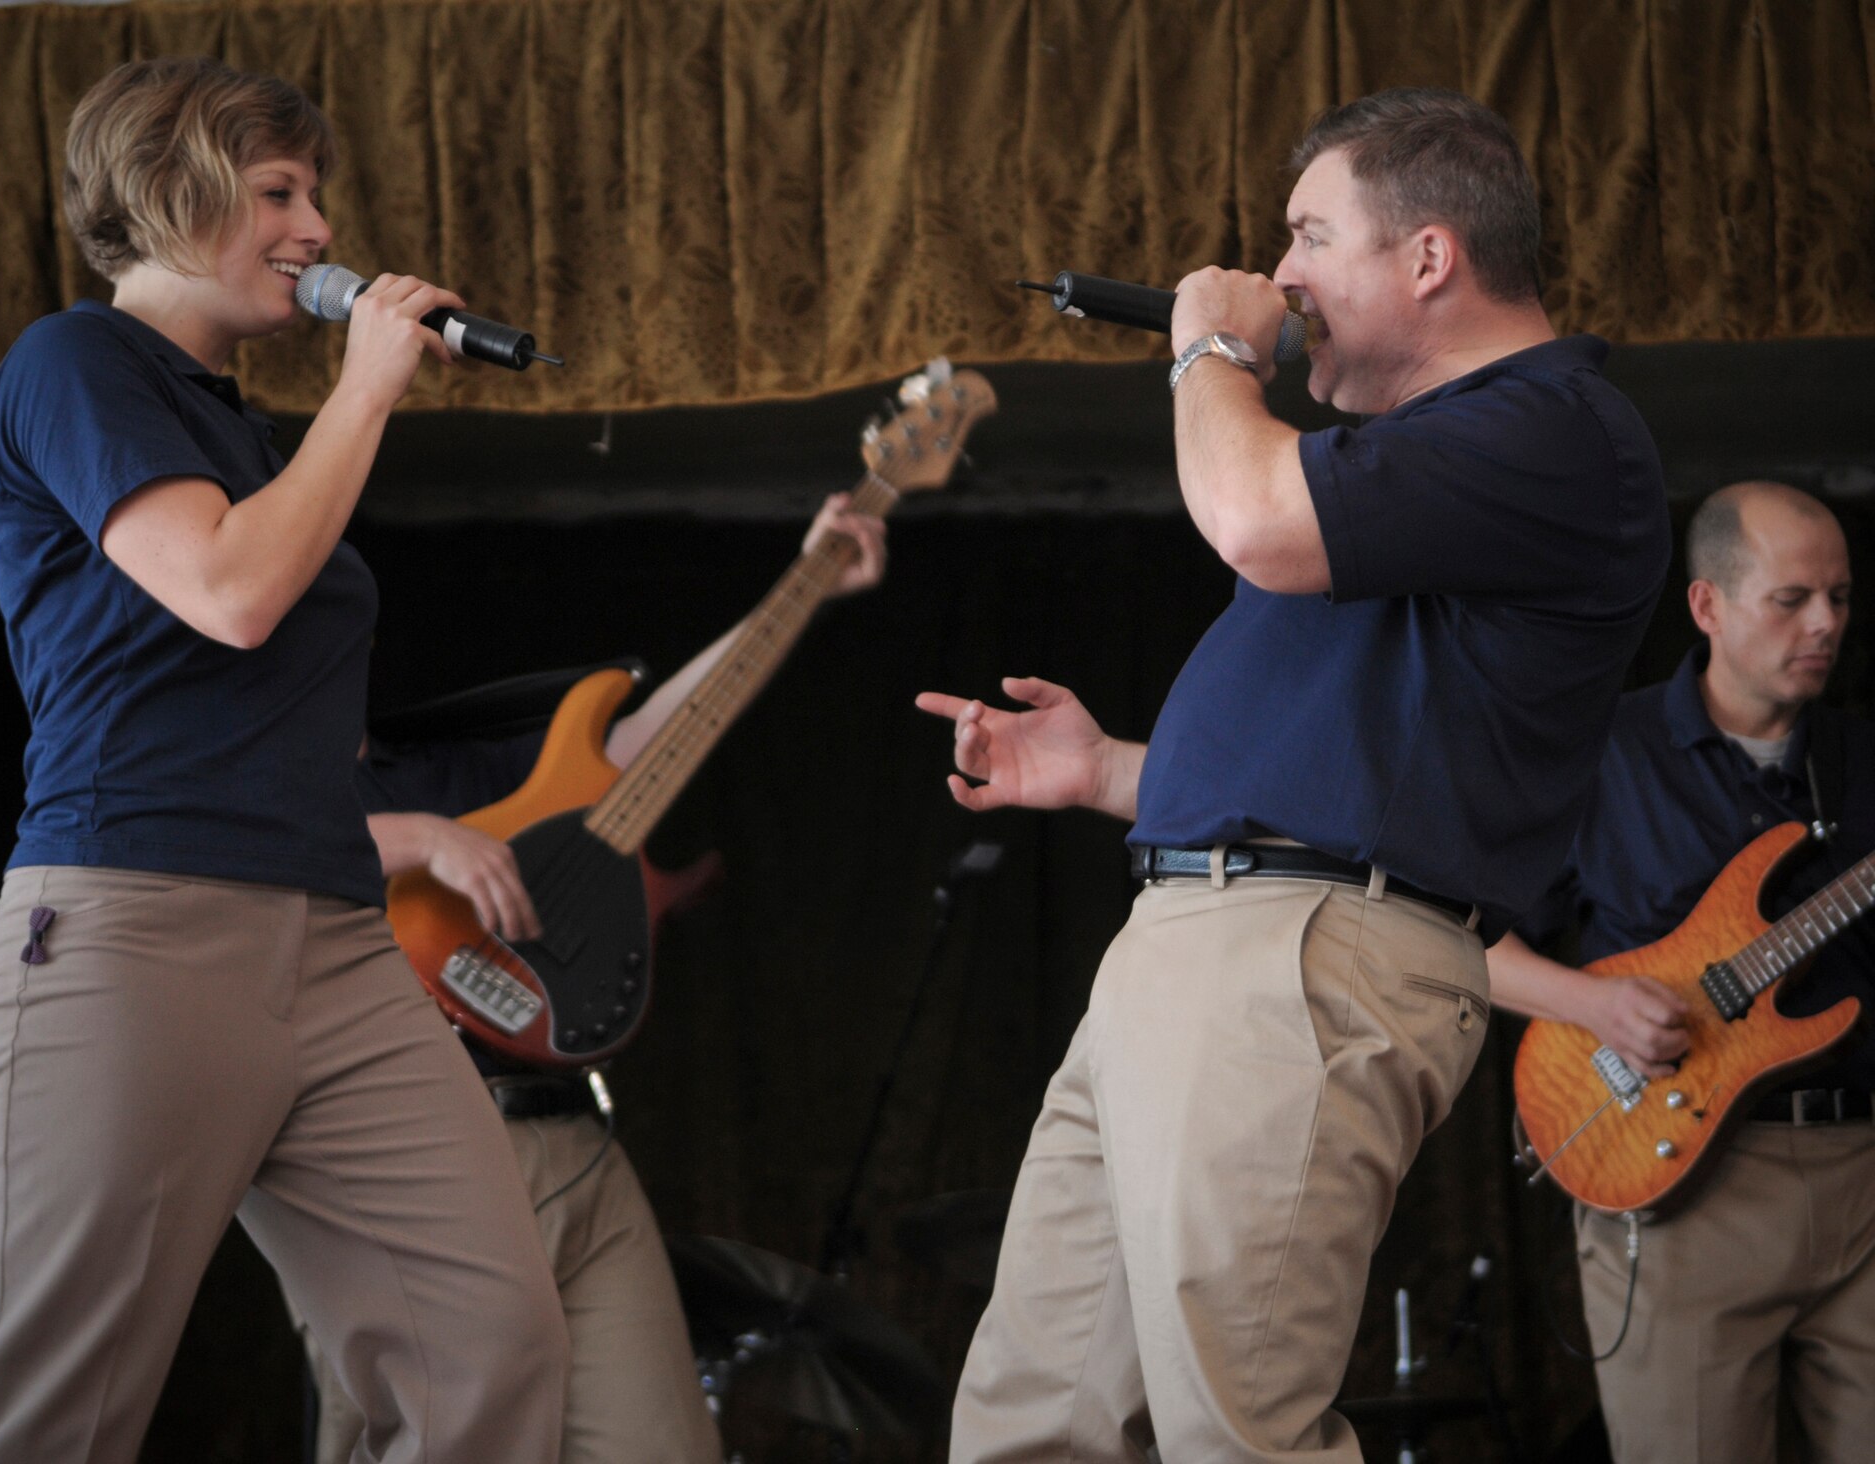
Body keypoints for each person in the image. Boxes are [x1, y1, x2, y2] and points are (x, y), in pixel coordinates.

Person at [916, 88, 1670, 1461]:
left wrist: (1209, 346)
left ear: (1429, 258)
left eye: (1309, 238)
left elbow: (1255, 519)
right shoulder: (1405, 475)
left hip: (1301, 963)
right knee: (1034, 1420)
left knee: (1236, 1432)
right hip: (1204, 940)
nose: (1281, 280)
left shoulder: (1556, 429)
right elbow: (1333, 781)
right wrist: (1106, 774)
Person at [0, 57, 568, 1463]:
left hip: (333, 945)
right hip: (136, 923)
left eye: (315, 196)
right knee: (51, 1416)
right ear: (164, 195)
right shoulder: (73, 363)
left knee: (490, 1348)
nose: (319, 230)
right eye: (278, 192)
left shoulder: (242, 430)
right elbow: (228, 590)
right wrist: (370, 391)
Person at [294, 495, 888, 1464]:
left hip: (572, 1142)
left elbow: (649, 735)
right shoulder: (257, 802)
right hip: (414, 1159)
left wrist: (803, 585)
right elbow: (223, 858)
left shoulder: (453, 760)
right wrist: (418, 842)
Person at [1487, 481, 1873, 1464]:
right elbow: (1463, 945)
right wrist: (1594, 1005)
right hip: (1678, 1185)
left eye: (1837, 595)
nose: (1824, 622)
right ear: (1706, 606)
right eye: (1790, 599)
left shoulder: (1863, 759)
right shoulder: (1600, 758)